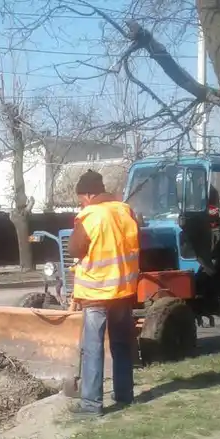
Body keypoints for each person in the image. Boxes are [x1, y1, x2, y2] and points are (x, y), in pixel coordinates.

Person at [67, 169, 140, 417]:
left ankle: (90, 405)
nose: (80, 203)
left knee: (93, 347)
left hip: (97, 293)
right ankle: (124, 394)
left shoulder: (90, 216)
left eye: (80, 198)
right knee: (121, 344)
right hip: (123, 291)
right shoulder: (125, 211)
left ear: (88, 194)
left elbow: (76, 249)